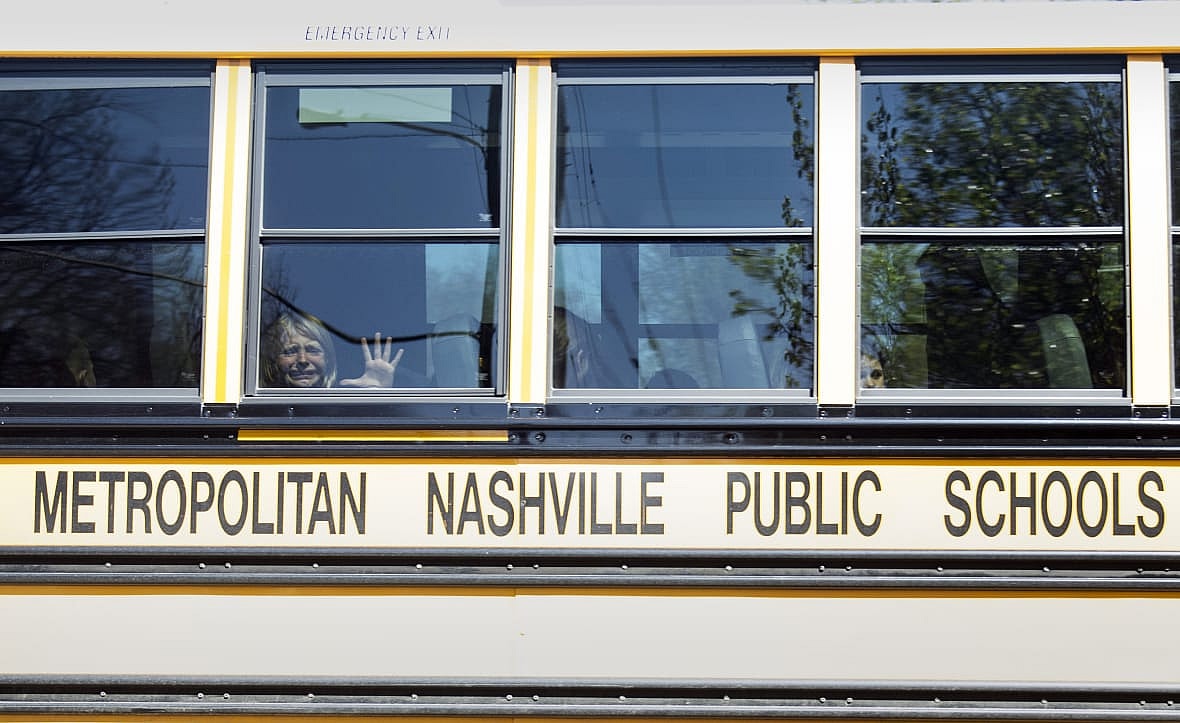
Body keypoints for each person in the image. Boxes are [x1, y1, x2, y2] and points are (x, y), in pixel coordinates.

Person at [260, 312, 403, 389]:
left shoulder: (343, 405)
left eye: (313, 350)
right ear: (274, 360)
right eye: (290, 351)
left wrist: (375, 391)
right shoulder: (260, 408)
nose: (302, 360)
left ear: (327, 359)